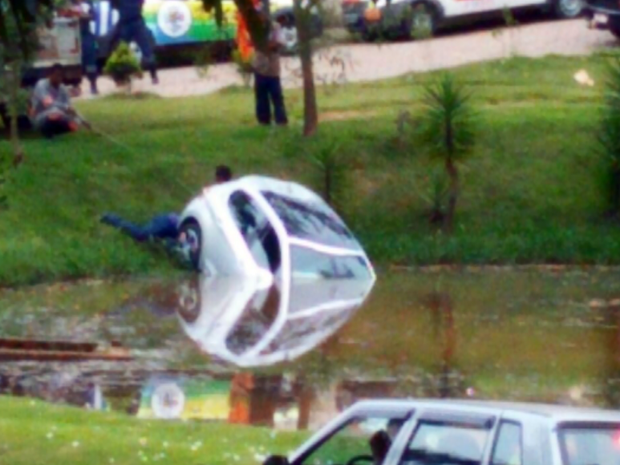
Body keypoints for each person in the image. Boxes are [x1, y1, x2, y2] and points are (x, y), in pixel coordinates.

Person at [101, 165, 233, 246]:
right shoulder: (212, 194)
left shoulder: (218, 196)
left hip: (177, 228)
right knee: (141, 235)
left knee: (166, 244)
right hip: (170, 222)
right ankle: (110, 218)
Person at [252, 4, 288, 126]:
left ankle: (281, 120)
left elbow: (281, 42)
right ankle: (263, 121)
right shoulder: (255, 29)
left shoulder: (275, 27)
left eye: (261, 14)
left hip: (273, 68)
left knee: (276, 96)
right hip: (259, 66)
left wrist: (269, 45)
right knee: (261, 97)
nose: (260, 17)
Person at [114, 0, 159, 84]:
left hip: (134, 21)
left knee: (146, 49)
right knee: (120, 50)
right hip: (127, 22)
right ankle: (120, 77)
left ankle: (154, 76)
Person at [30, 64, 80, 139]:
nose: (59, 78)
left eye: (61, 76)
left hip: (59, 115)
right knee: (53, 115)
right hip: (42, 115)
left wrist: (71, 110)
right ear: (50, 75)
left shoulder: (63, 88)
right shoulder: (41, 85)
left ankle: (60, 128)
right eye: (57, 75)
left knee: (74, 120)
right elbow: (48, 103)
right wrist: (66, 107)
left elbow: (68, 105)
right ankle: (48, 132)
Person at [63, 0, 99, 94]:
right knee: (73, 62)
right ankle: (75, 85)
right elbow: (62, 14)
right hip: (70, 34)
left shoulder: (87, 3)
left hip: (85, 34)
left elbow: (94, 16)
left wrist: (80, 15)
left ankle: (93, 84)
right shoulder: (67, 3)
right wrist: (69, 13)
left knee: (90, 60)